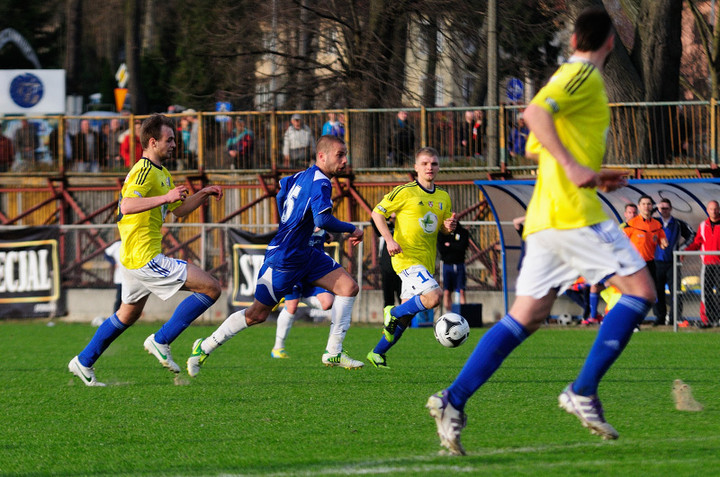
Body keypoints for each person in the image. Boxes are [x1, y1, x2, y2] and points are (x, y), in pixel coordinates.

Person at [426, 7, 656, 455]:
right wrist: (574, 167)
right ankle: (583, 390)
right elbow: (533, 115)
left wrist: (595, 170)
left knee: (526, 317)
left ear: (573, 40)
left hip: (546, 217)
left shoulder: (564, 78)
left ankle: (453, 399)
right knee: (641, 291)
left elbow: (537, 144)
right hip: (573, 214)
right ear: (610, 42)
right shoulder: (583, 76)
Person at [186, 135, 365, 375]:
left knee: (348, 287)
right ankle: (205, 346)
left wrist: (293, 222)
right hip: (285, 259)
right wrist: (353, 229)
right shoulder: (322, 182)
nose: (345, 160)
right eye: (339, 155)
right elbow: (323, 219)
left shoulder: (301, 175)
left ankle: (334, 351)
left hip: (305, 252)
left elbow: (282, 191)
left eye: (345, 155)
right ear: (322, 156)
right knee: (257, 314)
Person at [68, 114, 224, 386]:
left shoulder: (161, 172)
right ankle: (161, 340)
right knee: (211, 287)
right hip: (144, 257)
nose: (174, 144)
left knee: (126, 315)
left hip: (135, 258)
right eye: (169, 139)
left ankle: (83, 361)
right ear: (152, 142)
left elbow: (180, 210)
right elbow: (127, 205)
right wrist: (166, 196)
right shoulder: (142, 171)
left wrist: (204, 193)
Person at [366, 147, 457, 369]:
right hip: (405, 258)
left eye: (434, 164)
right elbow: (377, 213)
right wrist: (388, 239)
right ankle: (392, 312)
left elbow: (442, 230)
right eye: (425, 163)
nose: (430, 167)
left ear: (438, 167)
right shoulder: (404, 192)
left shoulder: (443, 197)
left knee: (406, 318)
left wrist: (448, 227)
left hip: (426, 262)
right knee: (434, 297)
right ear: (415, 167)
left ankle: (377, 353)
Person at [271, 228, 335, 358]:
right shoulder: (299, 222)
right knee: (292, 307)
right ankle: (278, 348)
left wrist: (326, 234)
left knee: (328, 303)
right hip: (295, 269)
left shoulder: (321, 221)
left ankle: (299, 297)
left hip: (314, 270)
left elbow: (325, 228)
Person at [624, 195, 668, 325]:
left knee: (653, 292)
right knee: (636, 293)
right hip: (635, 264)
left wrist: (664, 242)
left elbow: (662, 240)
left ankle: (659, 318)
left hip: (649, 263)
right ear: (639, 206)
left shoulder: (656, 224)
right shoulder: (632, 224)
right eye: (643, 204)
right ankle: (633, 320)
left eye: (649, 204)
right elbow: (621, 242)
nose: (646, 206)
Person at [653, 198, 694, 325]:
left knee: (675, 290)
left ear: (671, 209)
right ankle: (660, 317)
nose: (664, 210)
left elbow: (692, 235)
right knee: (657, 291)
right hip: (656, 262)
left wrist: (681, 250)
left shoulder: (677, 223)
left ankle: (674, 318)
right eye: (661, 208)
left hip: (673, 262)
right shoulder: (654, 222)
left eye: (666, 208)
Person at [684, 200, 720, 327]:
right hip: (708, 264)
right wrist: (684, 252)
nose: (714, 211)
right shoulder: (703, 225)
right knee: (707, 293)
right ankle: (709, 319)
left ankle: (718, 319)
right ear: (707, 210)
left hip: (719, 265)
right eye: (711, 209)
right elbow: (697, 242)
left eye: (716, 209)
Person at [437, 220, 470, 311]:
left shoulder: (463, 232)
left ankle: (463, 314)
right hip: (447, 266)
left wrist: (450, 245)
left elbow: (462, 246)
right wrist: (453, 246)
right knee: (447, 291)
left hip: (459, 265)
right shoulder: (442, 234)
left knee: (461, 290)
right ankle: (448, 313)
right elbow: (442, 249)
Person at [375, 214, 402, 308]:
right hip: (387, 268)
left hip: (401, 268)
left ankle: (405, 322)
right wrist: (389, 214)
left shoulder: (403, 229)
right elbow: (374, 219)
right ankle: (388, 321)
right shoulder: (385, 229)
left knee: (402, 296)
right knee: (388, 298)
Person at [104, 240, 123, 313]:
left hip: (132, 277)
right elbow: (106, 254)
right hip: (120, 278)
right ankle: (115, 316)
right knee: (119, 298)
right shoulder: (117, 245)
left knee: (129, 300)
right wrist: (114, 263)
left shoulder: (133, 244)